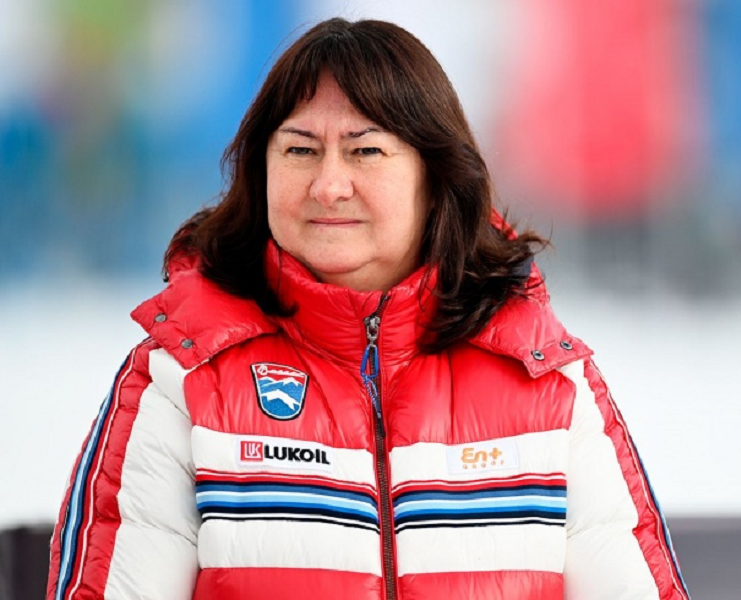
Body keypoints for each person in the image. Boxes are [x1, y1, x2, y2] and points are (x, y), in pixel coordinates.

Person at [46, 17, 690, 600]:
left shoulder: (547, 380)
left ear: (435, 177)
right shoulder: (182, 375)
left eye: (365, 150)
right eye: (300, 150)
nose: (329, 184)